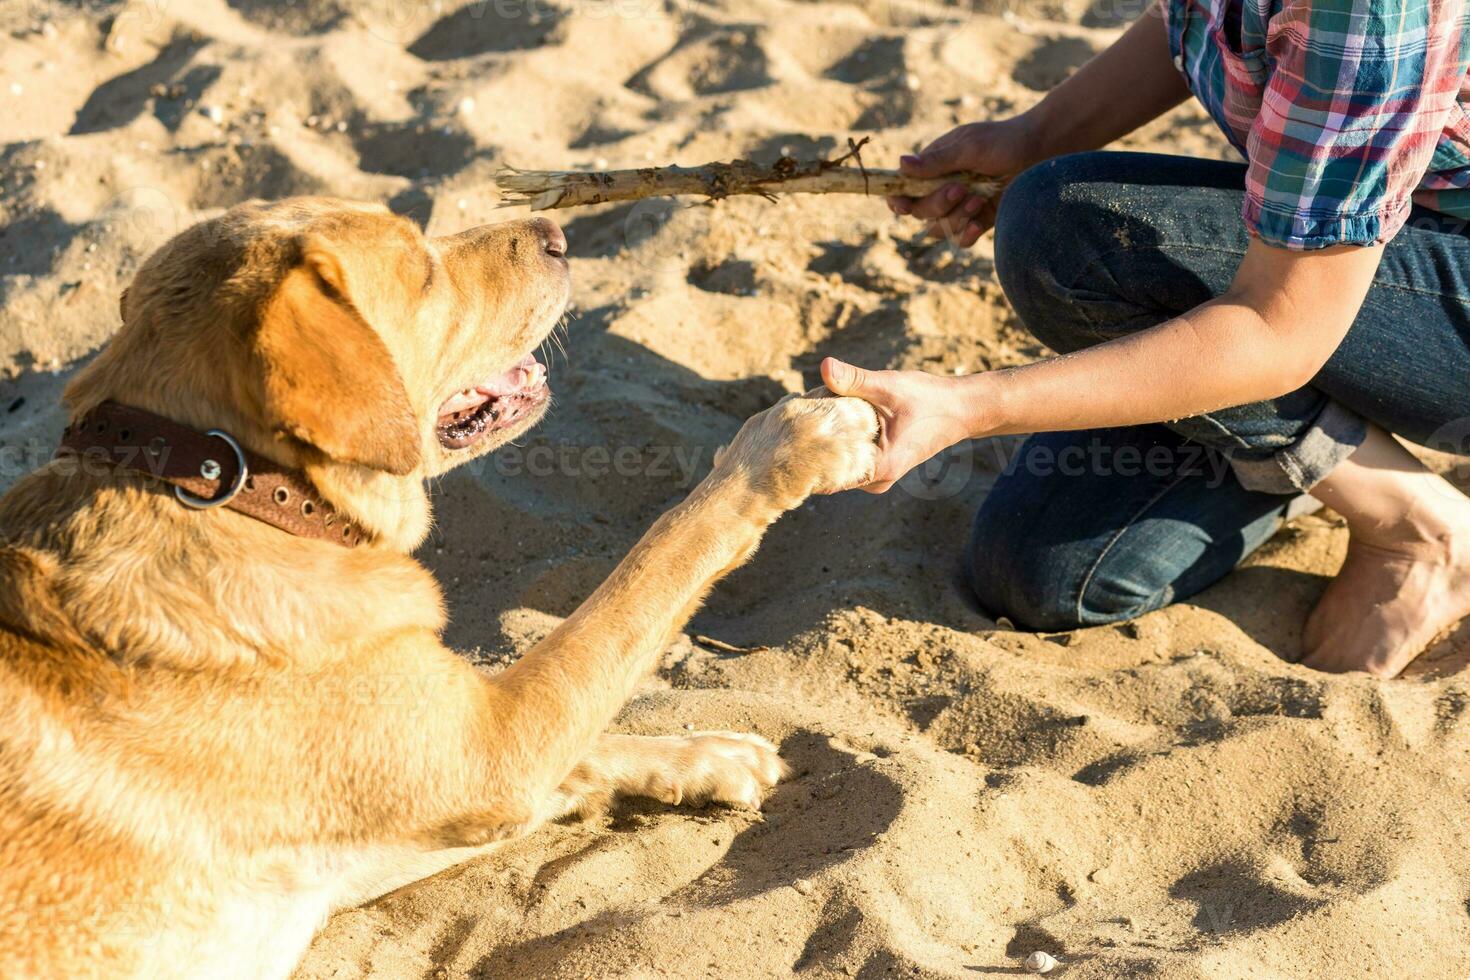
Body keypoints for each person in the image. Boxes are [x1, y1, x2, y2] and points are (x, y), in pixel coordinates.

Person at [820, 0, 1470, 677]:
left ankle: (1420, 526)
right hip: (1331, 250)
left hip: (1427, 271)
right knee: (1043, 571)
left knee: (1066, 235)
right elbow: (1198, 22)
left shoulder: (1371, 16)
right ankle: (1333, 432)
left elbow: (1279, 330)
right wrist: (1032, 135)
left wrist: (969, 406)